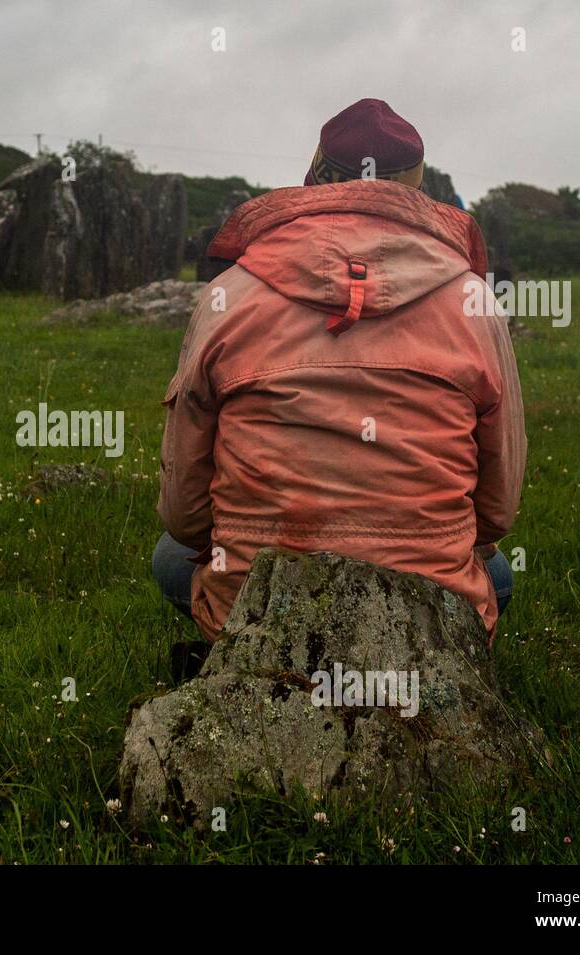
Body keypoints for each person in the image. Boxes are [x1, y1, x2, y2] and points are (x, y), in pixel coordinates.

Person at [154, 98, 525, 670]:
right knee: (496, 570)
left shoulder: (230, 293)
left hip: (252, 599)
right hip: (433, 608)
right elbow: (496, 510)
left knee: (170, 555)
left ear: (316, 176)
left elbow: (184, 510)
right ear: (417, 193)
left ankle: (241, 656)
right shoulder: (474, 302)